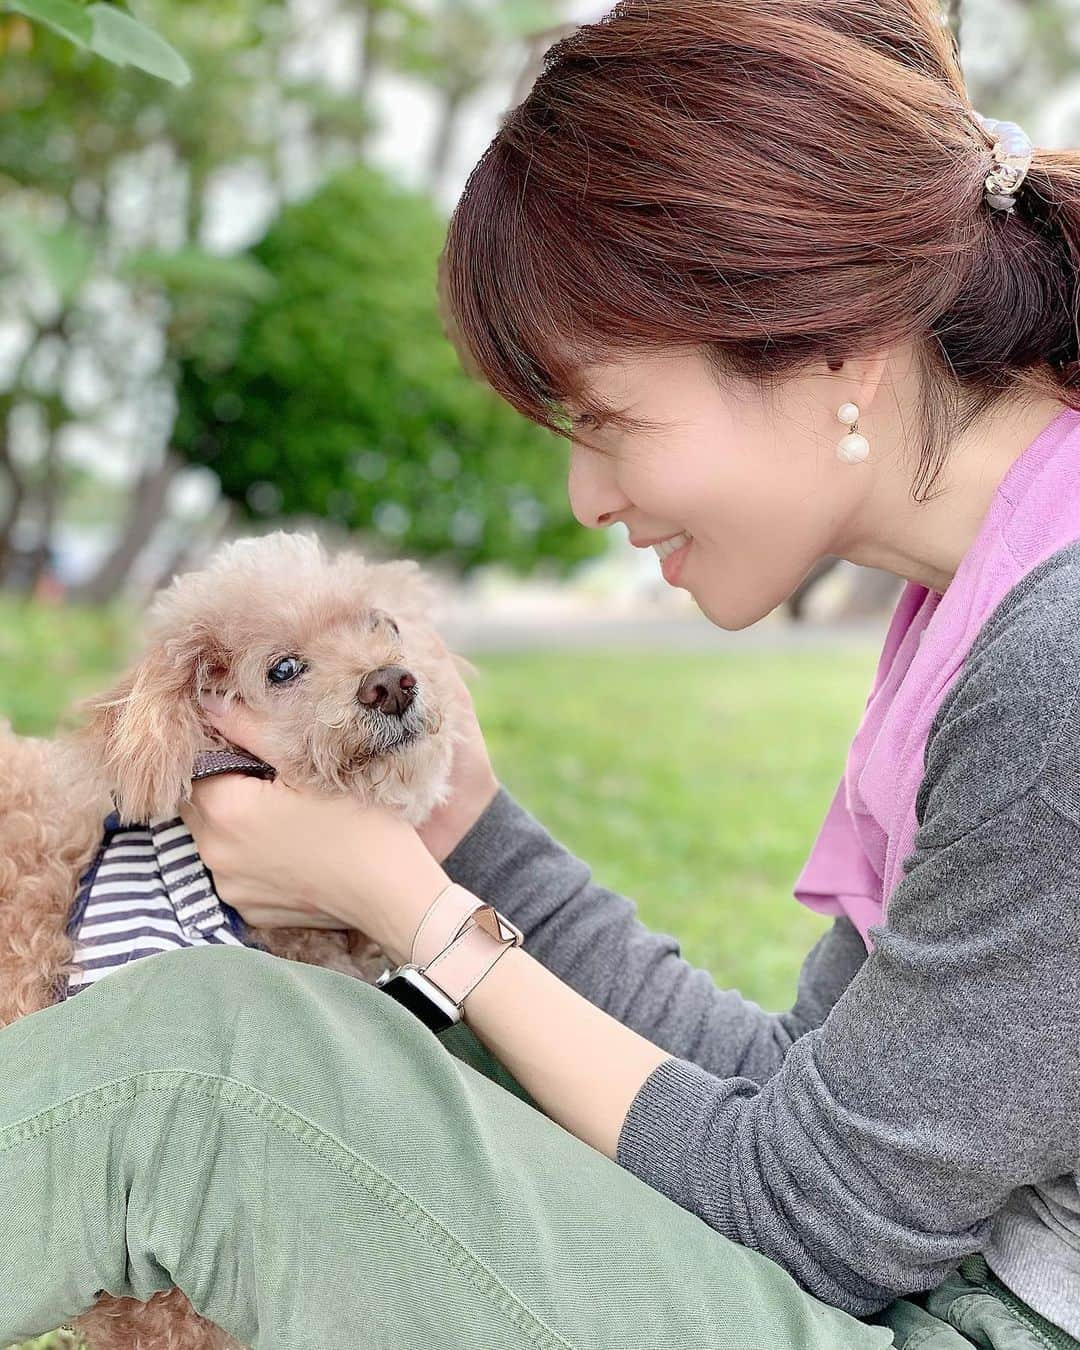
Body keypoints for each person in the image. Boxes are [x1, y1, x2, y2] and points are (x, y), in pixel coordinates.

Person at [3, 2, 1080, 1347]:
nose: (583, 493)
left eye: (608, 419)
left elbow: (819, 1217)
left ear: (836, 345)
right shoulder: (984, 589)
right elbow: (791, 1096)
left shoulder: (1057, 660)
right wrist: (467, 835)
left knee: (205, 1075)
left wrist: (414, 912)